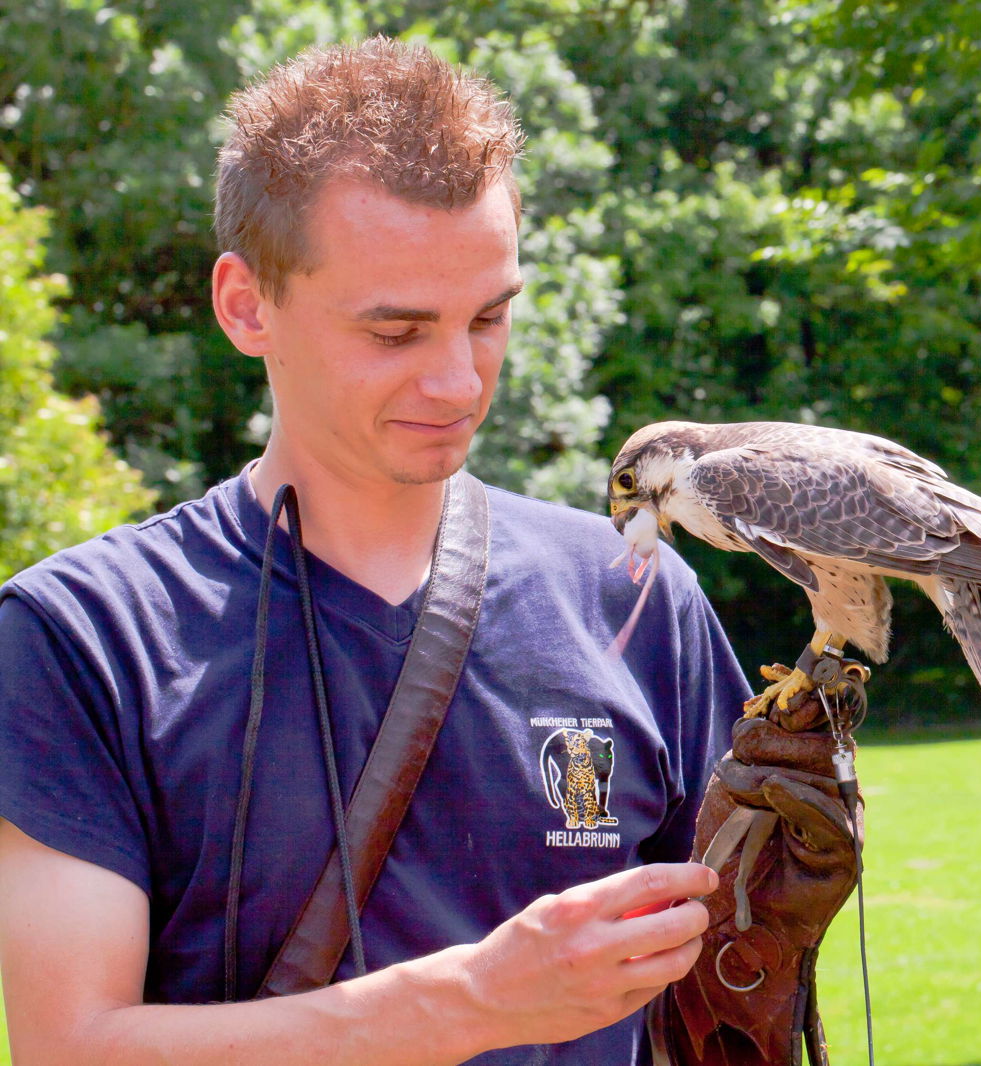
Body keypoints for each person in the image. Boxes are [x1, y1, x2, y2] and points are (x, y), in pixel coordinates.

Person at [0, 37, 749, 1065]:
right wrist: (470, 1003)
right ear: (246, 305)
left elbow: (725, 990)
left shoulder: (633, 593)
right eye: (396, 332)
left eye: (489, 317)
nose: (459, 382)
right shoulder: (83, 637)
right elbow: (70, 1047)